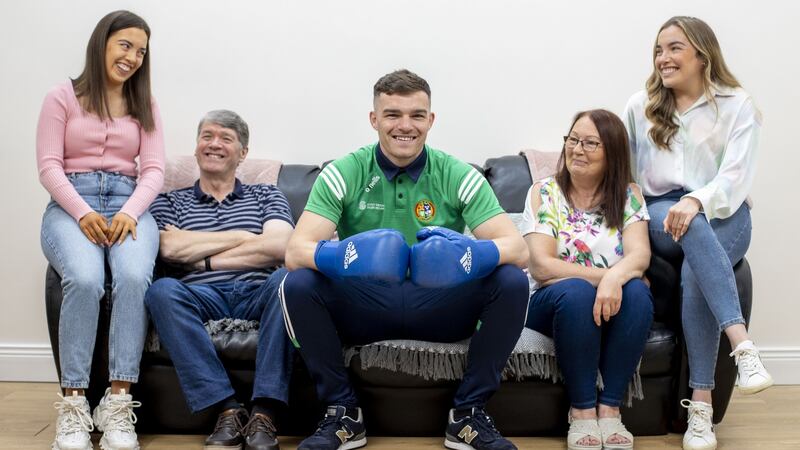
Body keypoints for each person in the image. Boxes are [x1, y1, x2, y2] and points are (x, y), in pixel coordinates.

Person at [280, 69, 530, 450]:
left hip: (439, 305)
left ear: (431, 120)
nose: (405, 126)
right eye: (393, 114)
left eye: (416, 115)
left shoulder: (457, 174)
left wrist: (468, 254)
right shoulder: (344, 172)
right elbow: (295, 251)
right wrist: (349, 256)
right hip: (366, 305)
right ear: (374, 119)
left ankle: (468, 415)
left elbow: (519, 249)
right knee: (297, 284)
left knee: (511, 280)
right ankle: (343, 413)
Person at [623, 16, 772, 450]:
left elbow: (736, 177)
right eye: (658, 50)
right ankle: (742, 345)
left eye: (674, 48)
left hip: (724, 211)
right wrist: (648, 208)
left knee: (695, 271)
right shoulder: (640, 105)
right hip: (660, 213)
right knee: (686, 224)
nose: (663, 58)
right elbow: (629, 178)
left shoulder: (737, 104)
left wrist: (697, 201)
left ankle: (701, 406)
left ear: (703, 56)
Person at [36, 10, 164, 450]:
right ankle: (74, 407)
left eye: (141, 51)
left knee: (133, 276)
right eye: (125, 45)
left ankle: (117, 404)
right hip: (70, 204)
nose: (133, 57)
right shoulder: (61, 97)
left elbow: (153, 170)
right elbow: (49, 167)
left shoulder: (145, 104)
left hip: (129, 205)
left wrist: (130, 211)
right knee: (85, 278)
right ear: (102, 44)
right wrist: (81, 212)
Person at [144, 110, 294, 450]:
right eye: (207, 136)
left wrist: (203, 257)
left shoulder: (266, 195)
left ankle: (265, 413)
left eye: (226, 138)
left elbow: (280, 245)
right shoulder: (169, 201)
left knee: (288, 280)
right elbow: (170, 248)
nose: (214, 144)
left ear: (242, 153)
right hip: (199, 296)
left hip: (258, 292)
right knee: (161, 291)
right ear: (196, 147)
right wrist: (242, 236)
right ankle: (228, 409)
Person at [522, 109, 653, 450]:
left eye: (590, 143)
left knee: (637, 292)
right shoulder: (545, 192)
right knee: (578, 291)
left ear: (612, 152)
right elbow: (542, 266)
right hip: (550, 303)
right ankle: (581, 412)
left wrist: (618, 280)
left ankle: (609, 409)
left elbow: (640, 256)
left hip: (613, 304)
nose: (577, 149)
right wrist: (609, 277)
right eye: (573, 140)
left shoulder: (628, 195)